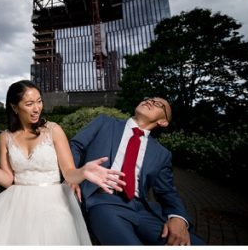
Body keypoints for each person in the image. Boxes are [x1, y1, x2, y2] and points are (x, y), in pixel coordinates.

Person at [0, 81, 125, 245]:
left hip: (53, 200)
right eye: (29, 103)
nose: (37, 108)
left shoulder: (54, 130)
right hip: (16, 201)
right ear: (15, 107)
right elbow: (8, 180)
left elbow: (68, 173)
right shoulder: (5, 137)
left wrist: (83, 172)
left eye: (39, 102)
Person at [68, 96, 203, 245]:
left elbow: (167, 192)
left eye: (158, 104)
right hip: (103, 200)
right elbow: (76, 146)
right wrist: (73, 174)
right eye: (149, 99)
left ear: (163, 122)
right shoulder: (105, 122)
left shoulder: (162, 154)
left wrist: (178, 216)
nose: (150, 101)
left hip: (143, 210)